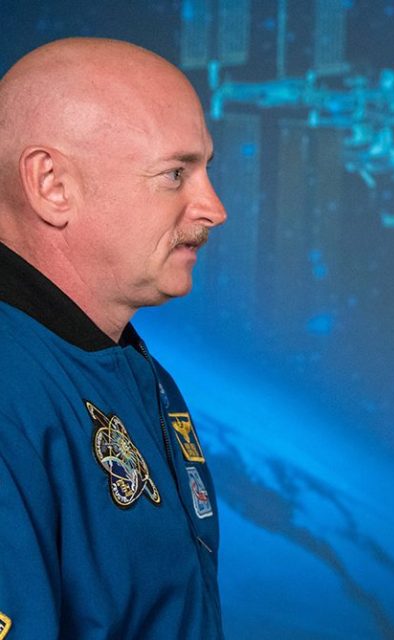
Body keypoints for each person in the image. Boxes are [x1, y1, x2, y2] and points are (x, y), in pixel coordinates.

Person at [0, 38, 227, 638]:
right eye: (176, 173)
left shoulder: (128, 368)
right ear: (52, 184)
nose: (213, 207)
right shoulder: (11, 399)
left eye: (205, 170)